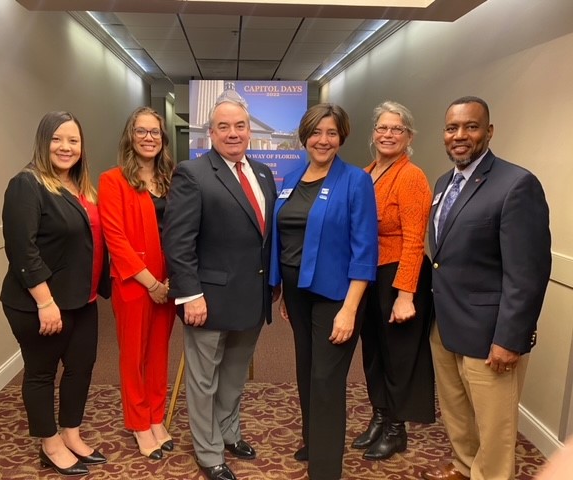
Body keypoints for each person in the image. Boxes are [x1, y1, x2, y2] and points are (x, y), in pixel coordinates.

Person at [423, 96, 551, 480]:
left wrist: (510, 339)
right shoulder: (445, 182)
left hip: (491, 333)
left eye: (470, 126)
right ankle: (465, 466)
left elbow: (527, 272)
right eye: (451, 128)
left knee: (495, 426)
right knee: (457, 411)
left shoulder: (516, 184)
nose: (459, 135)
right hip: (446, 325)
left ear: (488, 131)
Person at [163, 97, 278, 480]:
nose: (233, 133)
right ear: (211, 133)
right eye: (224, 127)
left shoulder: (262, 173)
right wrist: (190, 294)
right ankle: (209, 452)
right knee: (203, 380)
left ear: (250, 130)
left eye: (240, 126)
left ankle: (229, 433)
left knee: (233, 376)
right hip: (207, 301)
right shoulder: (192, 173)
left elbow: (264, 236)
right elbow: (178, 242)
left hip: (252, 297)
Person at [269, 103, 378, 480]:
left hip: (336, 295)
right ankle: (314, 441)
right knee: (306, 370)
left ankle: (327, 468)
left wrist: (350, 309)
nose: (323, 140)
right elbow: (285, 235)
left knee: (326, 380)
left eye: (331, 133)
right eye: (316, 132)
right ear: (304, 136)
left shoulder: (356, 181)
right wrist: (282, 288)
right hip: (299, 294)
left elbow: (366, 250)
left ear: (341, 137)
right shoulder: (292, 177)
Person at [0, 111, 110, 476]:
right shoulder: (27, 184)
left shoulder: (81, 188)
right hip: (41, 303)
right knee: (41, 373)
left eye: (73, 140)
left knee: (81, 369)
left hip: (83, 299)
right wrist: (44, 302)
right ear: (43, 141)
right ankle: (49, 443)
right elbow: (22, 249)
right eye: (57, 139)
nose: (66, 147)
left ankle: (71, 433)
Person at [351, 101, 435, 460]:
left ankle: (396, 429)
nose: (388, 135)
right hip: (370, 274)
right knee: (374, 353)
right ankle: (379, 416)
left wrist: (405, 294)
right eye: (382, 128)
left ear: (409, 136)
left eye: (396, 129)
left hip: (400, 273)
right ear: (373, 134)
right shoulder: (366, 172)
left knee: (398, 356)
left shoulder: (411, 176)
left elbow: (416, 238)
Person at [98, 107, 176, 460]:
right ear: (130, 136)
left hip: (169, 281)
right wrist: (150, 283)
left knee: (159, 353)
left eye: (155, 132)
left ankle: (156, 417)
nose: (149, 138)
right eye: (142, 131)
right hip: (134, 283)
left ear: (163, 138)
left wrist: (171, 278)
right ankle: (139, 423)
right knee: (134, 356)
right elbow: (116, 239)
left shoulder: (172, 179)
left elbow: (180, 230)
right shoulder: (112, 180)